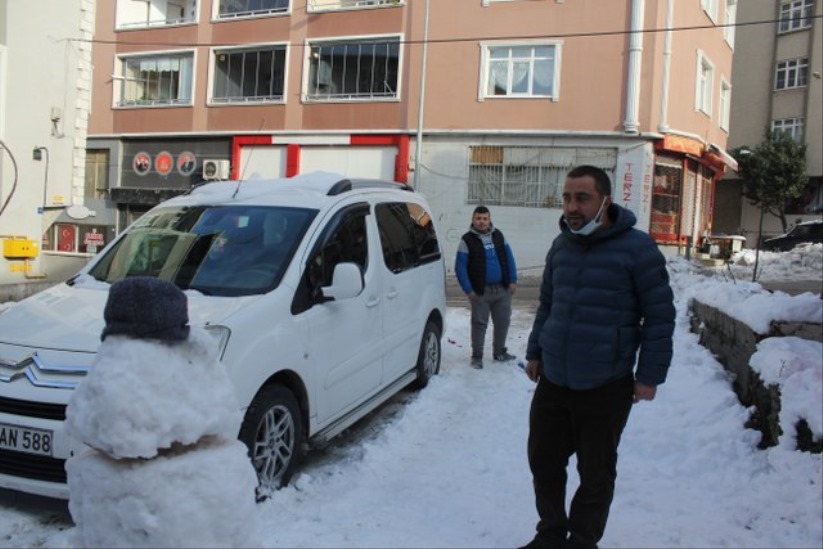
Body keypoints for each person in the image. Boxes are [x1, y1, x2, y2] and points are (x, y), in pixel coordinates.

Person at [520, 165, 675, 549]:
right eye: (567, 197)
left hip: (606, 383)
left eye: (582, 198)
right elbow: (548, 304)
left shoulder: (638, 249)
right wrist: (535, 351)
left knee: (596, 472)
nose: (572, 206)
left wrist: (649, 375)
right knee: (543, 460)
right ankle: (551, 533)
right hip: (555, 377)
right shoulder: (562, 245)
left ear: (605, 200)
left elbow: (659, 316)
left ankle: (582, 540)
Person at [454, 205, 518, 369]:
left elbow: (509, 258)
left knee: (503, 322)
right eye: (478, 218)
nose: (481, 222)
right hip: (480, 291)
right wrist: (468, 290)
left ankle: (500, 352)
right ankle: (477, 357)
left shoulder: (498, 236)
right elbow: (460, 267)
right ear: (473, 220)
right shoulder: (466, 240)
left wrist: (512, 280)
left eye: (484, 218)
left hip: (502, 290)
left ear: (489, 220)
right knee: (479, 324)